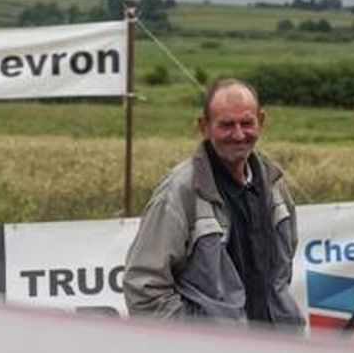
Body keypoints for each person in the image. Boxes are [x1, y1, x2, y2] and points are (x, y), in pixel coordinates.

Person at [123, 78, 304, 329]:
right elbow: (144, 286)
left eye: (247, 123)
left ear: (261, 122)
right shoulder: (179, 193)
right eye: (227, 125)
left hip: (275, 350)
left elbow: (281, 275)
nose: (239, 134)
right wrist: (197, 344)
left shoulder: (274, 185)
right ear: (204, 127)